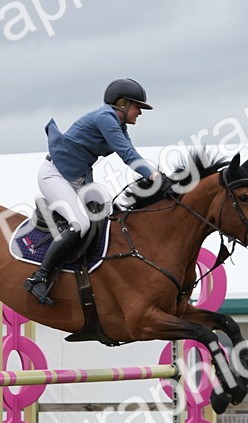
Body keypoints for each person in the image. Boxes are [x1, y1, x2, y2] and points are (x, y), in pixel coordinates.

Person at [24, 78, 174, 305]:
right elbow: (128, 156)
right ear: (122, 104)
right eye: (137, 107)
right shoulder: (106, 118)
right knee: (80, 225)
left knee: (106, 214)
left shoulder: (118, 124)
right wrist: (154, 176)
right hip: (54, 175)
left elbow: (132, 153)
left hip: (77, 179)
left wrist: (155, 175)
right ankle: (39, 277)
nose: (140, 113)